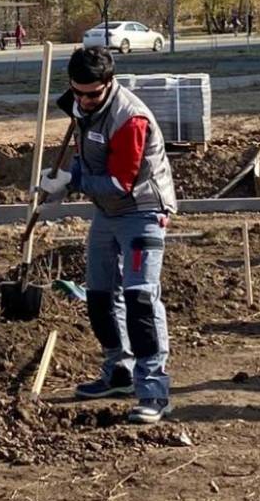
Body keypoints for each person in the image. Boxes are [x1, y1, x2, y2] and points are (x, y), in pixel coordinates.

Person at [40, 46, 178, 424]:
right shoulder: (76, 103)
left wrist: (73, 182)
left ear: (109, 83)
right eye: (78, 92)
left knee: (140, 299)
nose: (84, 101)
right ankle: (118, 372)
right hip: (107, 211)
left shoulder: (130, 119)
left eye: (92, 94)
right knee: (99, 296)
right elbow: (88, 153)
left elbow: (120, 182)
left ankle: (153, 391)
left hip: (141, 210)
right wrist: (61, 182)